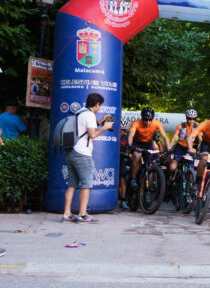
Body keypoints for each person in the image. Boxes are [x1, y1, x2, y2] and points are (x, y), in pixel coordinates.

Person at [61, 92, 114, 223]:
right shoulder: (90, 115)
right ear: (96, 105)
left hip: (71, 151)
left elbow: (83, 128)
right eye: (100, 105)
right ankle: (83, 214)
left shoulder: (80, 112)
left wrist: (101, 121)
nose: (100, 108)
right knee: (86, 185)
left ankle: (67, 213)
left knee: (72, 184)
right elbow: (92, 134)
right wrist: (105, 127)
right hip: (82, 154)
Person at [127, 107, 171, 188]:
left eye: (150, 120)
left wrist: (168, 149)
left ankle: (145, 188)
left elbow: (164, 137)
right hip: (137, 143)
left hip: (148, 144)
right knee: (137, 156)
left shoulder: (157, 123)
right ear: (142, 118)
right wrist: (130, 145)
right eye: (145, 119)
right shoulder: (136, 123)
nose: (147, 122)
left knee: (151, 165)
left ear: (152, 119)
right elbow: (131, 135)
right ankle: (133, 179)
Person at [168, 109, 199, 177]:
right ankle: (169, 178)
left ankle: (189, 185)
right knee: (172, 167)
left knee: (192, 169)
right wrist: (169, 147)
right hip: (180, 148)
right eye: (189, 118)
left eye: (193, 119)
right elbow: (174, 137)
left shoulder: (197, 127)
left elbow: (200, 139)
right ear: (186, 118)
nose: (191, 120)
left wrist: (200, 149)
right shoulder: (181, 126)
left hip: (190, 149)